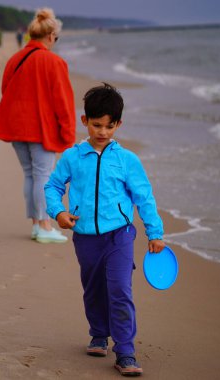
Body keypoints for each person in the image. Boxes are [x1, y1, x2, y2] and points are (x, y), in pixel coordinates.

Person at [44, 83, 165, 376]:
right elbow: (53, 186)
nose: (103, 132)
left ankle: (125, 351)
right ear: (85, 121)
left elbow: (143, 197)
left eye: (110, 126)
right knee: (94, 288)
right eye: (97, 125)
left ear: (118, 124)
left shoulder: (127, 160)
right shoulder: (73, 157)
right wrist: (58, 212)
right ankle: (99, 333)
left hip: (119, 236)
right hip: (85, 236)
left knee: (120, 289)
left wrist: (155, 232)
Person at [0, 8, 76, 243]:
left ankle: (36, 225)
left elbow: (5, 91)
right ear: (50, 36)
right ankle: (44, 226)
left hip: (16, 127)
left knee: (31, 175)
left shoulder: (14, 59)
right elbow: (63, 102)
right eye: (56, 38)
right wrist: (68, 135)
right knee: (43, 177)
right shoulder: (54, 61)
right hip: (40, 128)